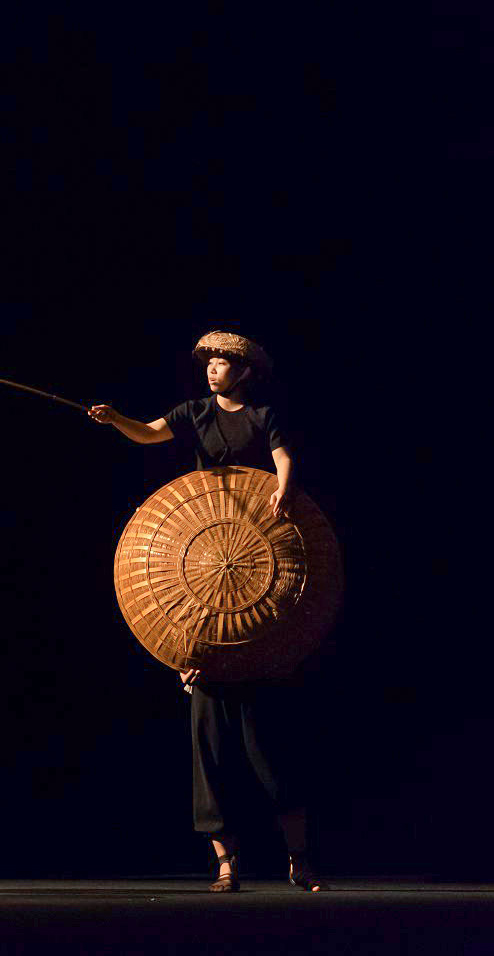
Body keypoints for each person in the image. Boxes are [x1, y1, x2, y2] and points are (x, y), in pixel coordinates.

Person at [88, 330, 326, 892]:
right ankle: (226, 863)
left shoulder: (264, 415)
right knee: (208, 751)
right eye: (211, 361)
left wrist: (283, 496)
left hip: (256, 559)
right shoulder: (194, 413)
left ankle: (299, 857)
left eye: (225, 362)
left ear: (244, 372)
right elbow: (148, 434)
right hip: (202, 565)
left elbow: (285, 459)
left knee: (270, 751)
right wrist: (115, 417)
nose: (214, 369)